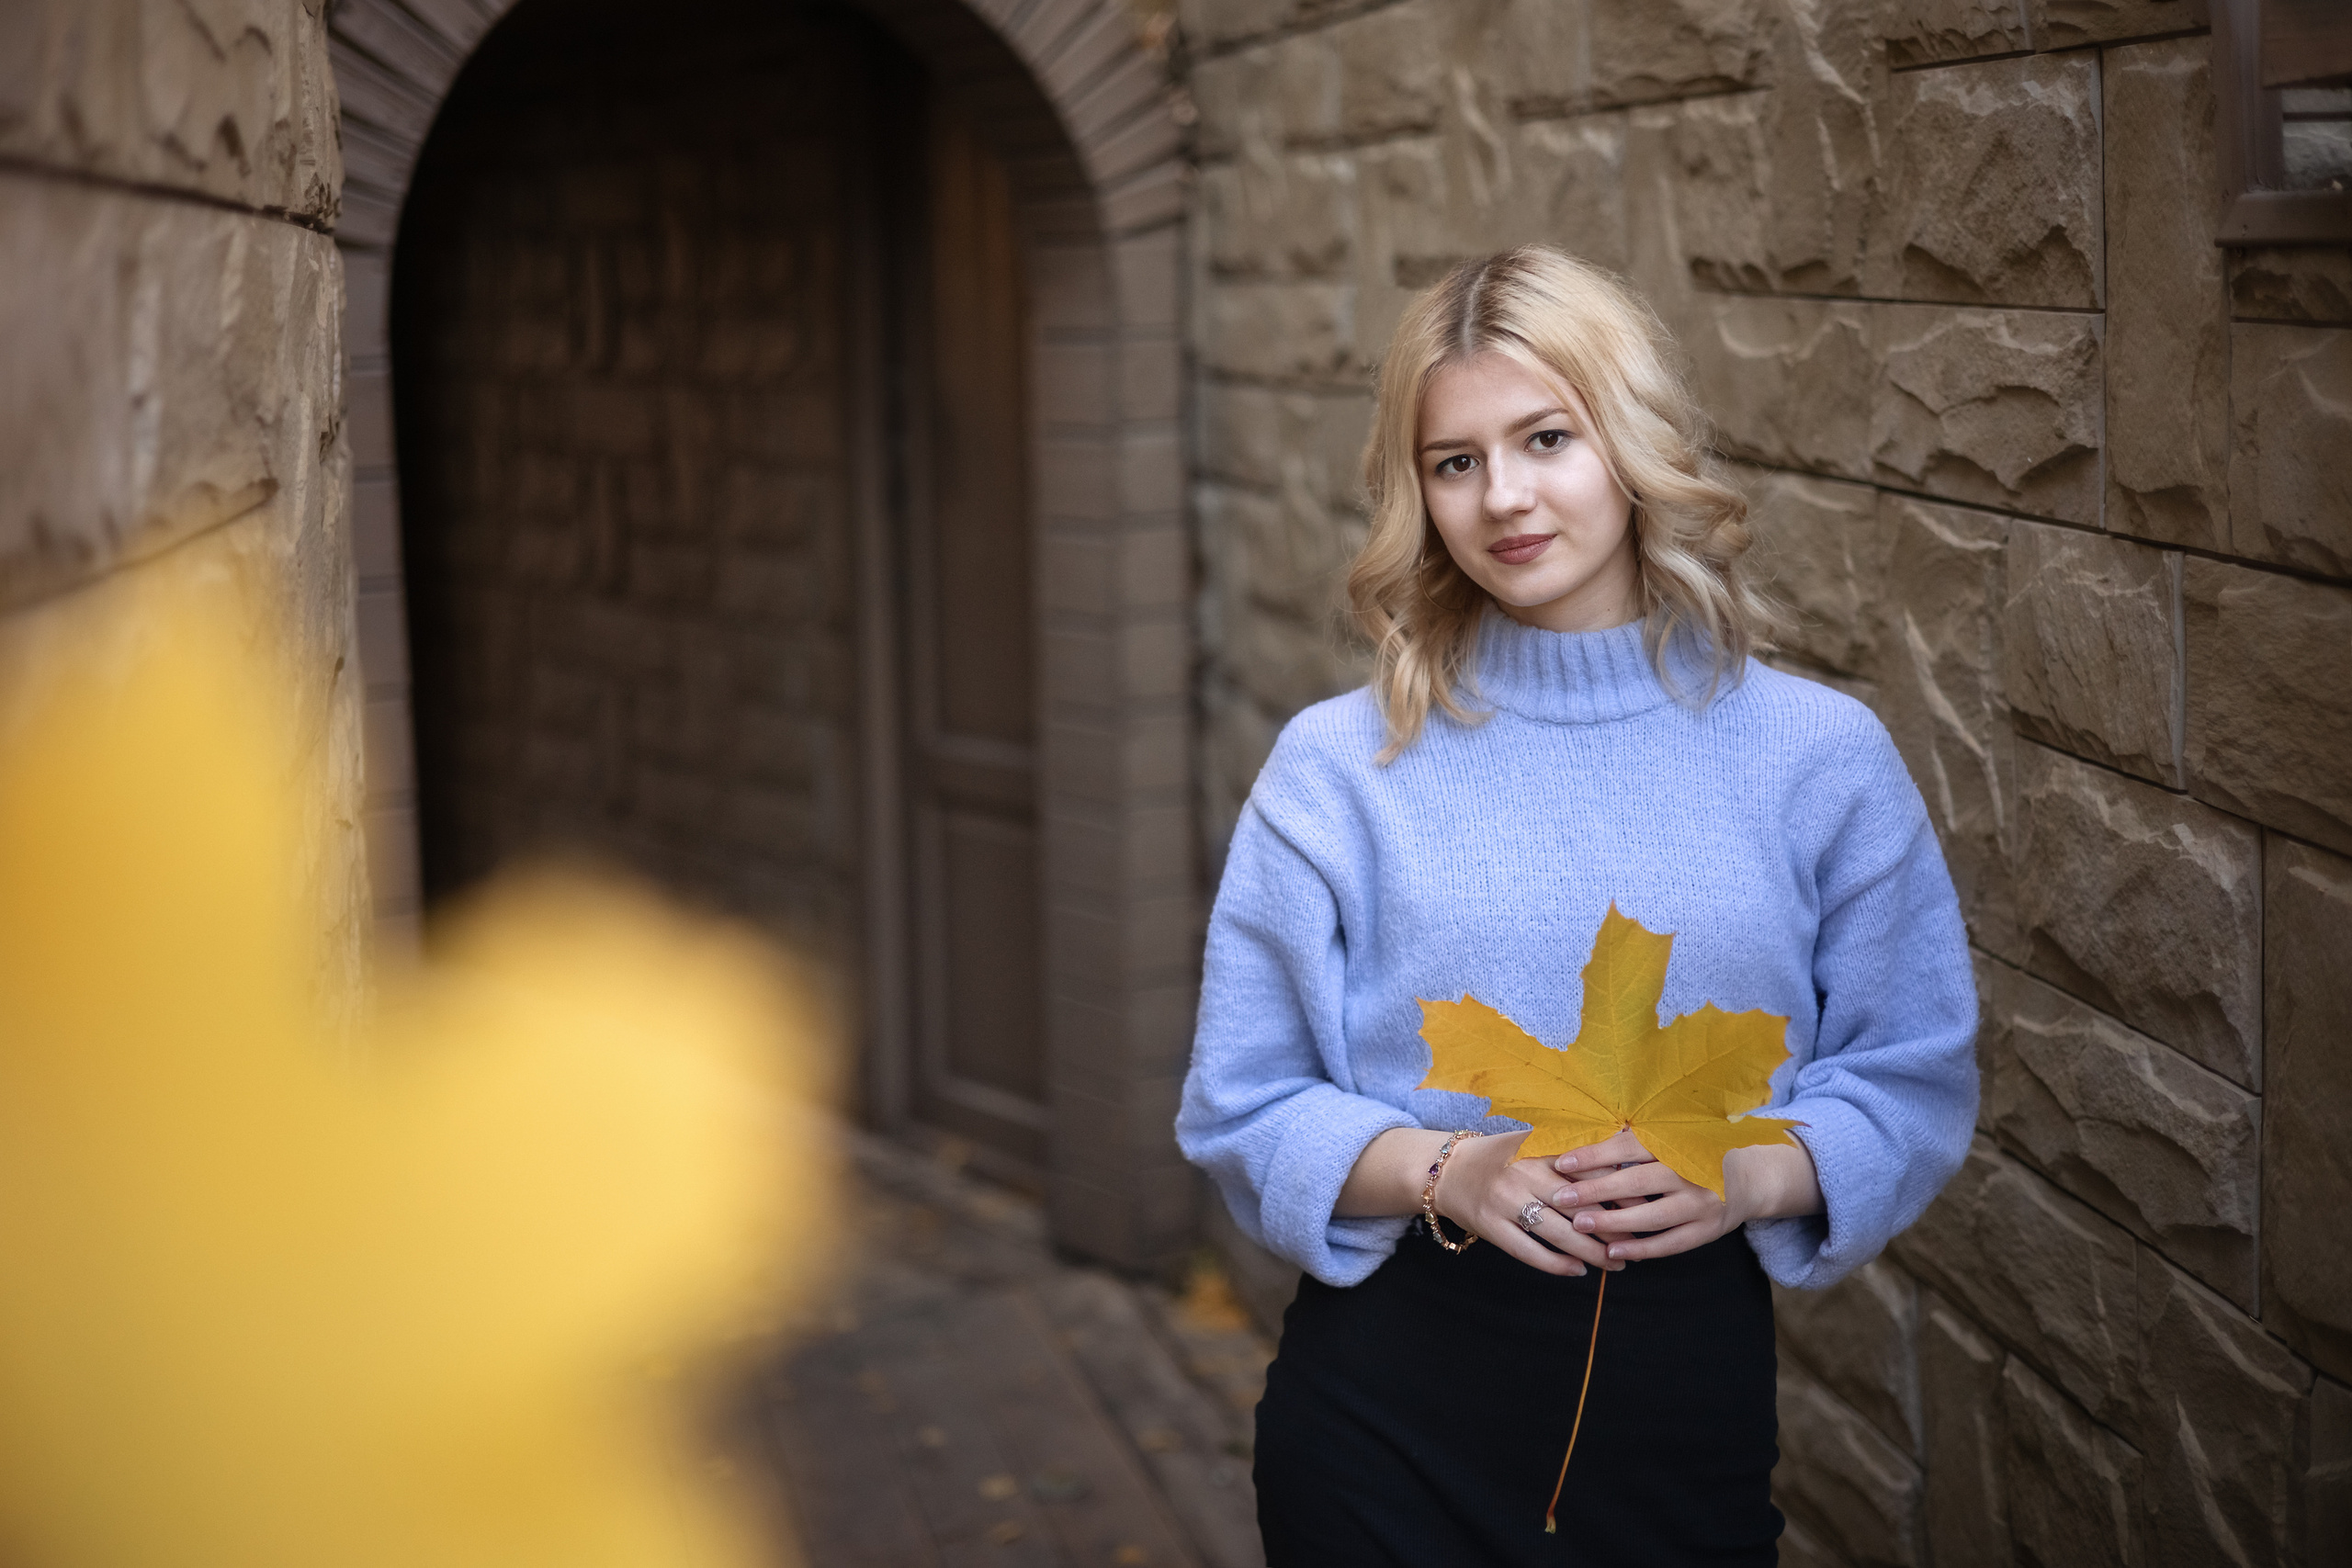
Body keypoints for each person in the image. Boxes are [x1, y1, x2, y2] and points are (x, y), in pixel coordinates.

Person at [1174, 245, 1978, 1565]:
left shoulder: (1817, 757)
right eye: (1455, 461)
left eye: (1547, 437)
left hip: (1681, 1408)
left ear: (1629, 440)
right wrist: (1449, 1169)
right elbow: (1242, 1098)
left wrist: (1748, 1172)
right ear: (1417, 491)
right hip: (1384, 1414)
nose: (1504, 498)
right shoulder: (1336, 766)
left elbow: (1914, 1072)